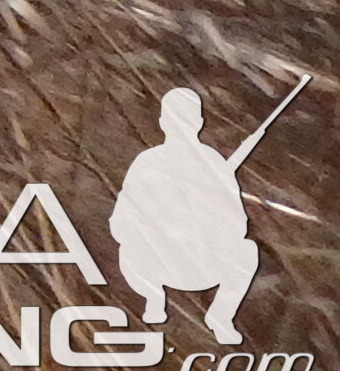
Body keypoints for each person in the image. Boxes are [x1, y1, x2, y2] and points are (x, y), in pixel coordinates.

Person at [112, 86, 264, 343]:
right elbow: (121, 223)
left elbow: (238, 225)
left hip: (203, 264)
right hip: (157, 264)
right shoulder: (147, 163)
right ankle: (154, 299)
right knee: (129, 251)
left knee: (247, 251)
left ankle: (221, 316)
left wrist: (205, 220)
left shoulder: (213, 164)